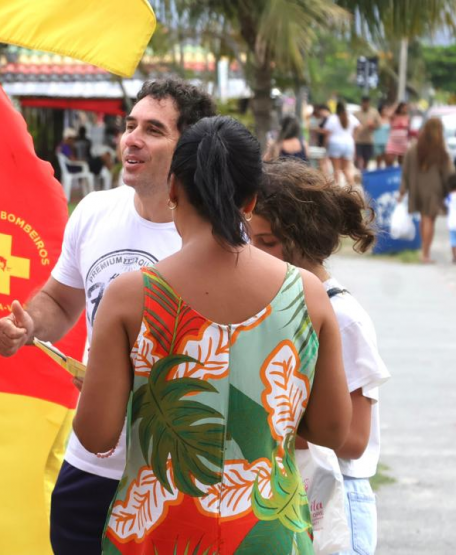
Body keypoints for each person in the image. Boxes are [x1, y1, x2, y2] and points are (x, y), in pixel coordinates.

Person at [73, 117, 351, 553]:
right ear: (251, 199)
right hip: (268, 534)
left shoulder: (130, 296)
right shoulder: (308, 295)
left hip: (157, 534)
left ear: (173, 189)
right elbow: (333, 431)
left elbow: (96, 436)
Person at [0, 77, 217, 554]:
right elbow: (61, 301)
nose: (131, 139)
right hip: (92, 461)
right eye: (130, 125)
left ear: (189, 148)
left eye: (153, 130)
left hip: (175, 468)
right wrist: (29, 324)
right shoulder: (95, 211)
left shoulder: (218, 234)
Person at [250, 158, 391, 555]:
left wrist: (268, 421)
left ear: (305, 239)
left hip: (337, 497)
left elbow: (355, 439)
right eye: (249, 239)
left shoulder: (342, 317)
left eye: (267, 242)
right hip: (296, 490)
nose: (254, 253)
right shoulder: (278, 302)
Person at [398, 117, 456, 263]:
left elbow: (405, 171)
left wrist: (403, 190)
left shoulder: (413, 149)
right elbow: (449, 173)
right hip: (434, 190)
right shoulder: (440, 150)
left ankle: (424, 251)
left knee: (424, 219)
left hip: (417, 190)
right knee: (429, 220)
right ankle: (425, 254)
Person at [322, 100, 360, 185]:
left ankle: (338, 188)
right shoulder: (350, 117)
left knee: (336, 170)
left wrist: (325, 146)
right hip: (349, 144)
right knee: (346, 169)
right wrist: (353, 136)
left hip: (335, 144)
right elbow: (358, 126)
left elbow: (327, 133)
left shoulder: (333, 118)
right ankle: (352, 187)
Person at [354, 96, 381, 171]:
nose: (365, 104)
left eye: (367, 103)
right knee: (358, 158)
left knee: (366, 159)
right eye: (364, 102)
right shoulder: (356, 113)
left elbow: (379, 124)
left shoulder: (374, 112)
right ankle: (358, 171)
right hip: (358, 140)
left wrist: (373, 125)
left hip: (368, 140)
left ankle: (364, 172)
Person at [373, 102, 392, 169]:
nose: (385, 111)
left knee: (388, 162)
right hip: (378, 142)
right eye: (384, 109)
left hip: (387, 143)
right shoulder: (376, 119)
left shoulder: (390, 120)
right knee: (378, 162)